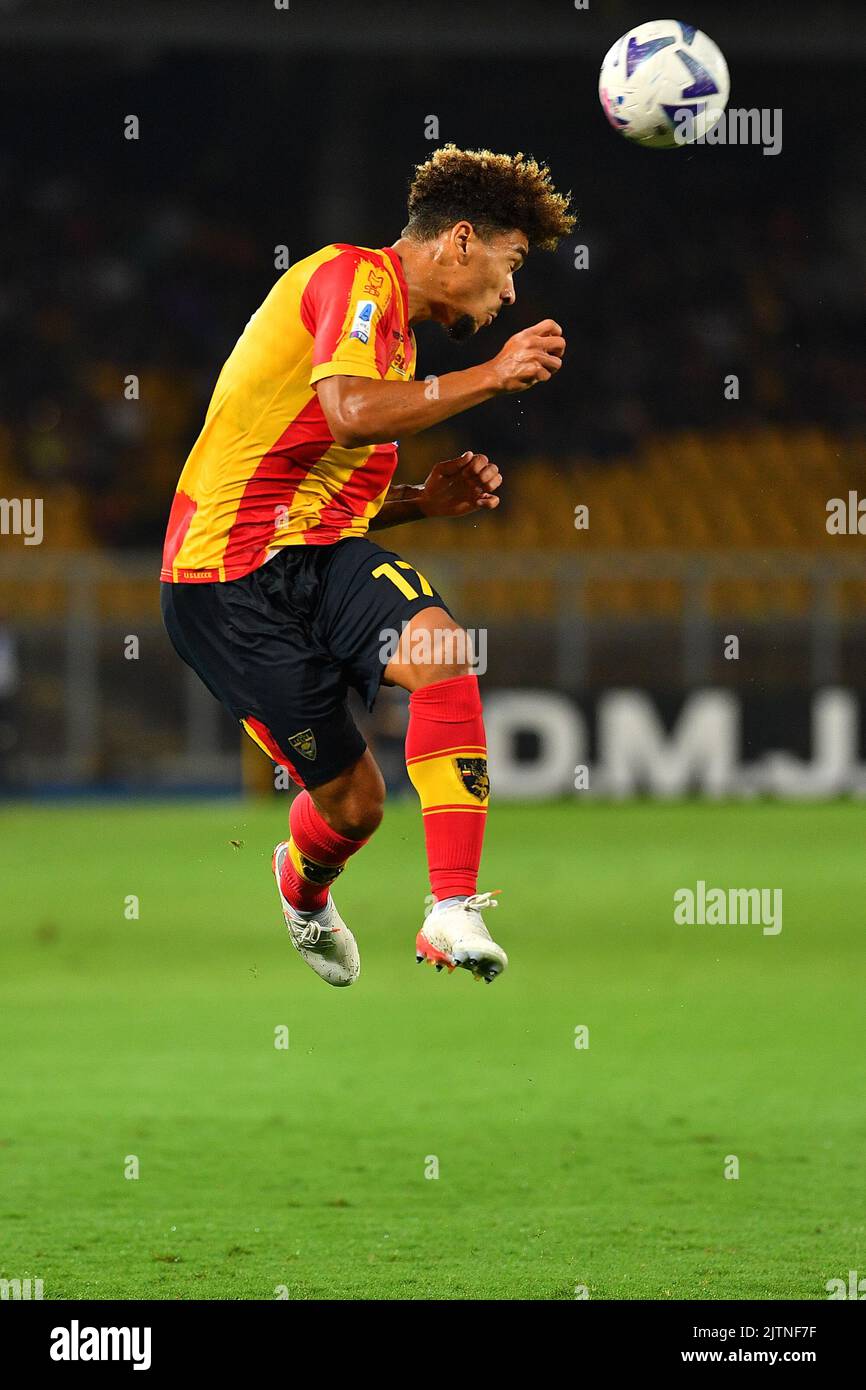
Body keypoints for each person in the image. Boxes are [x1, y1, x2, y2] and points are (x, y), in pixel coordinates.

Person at [160, 145, 573, 987]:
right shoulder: (352, 279)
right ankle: (302, 889)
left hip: (314, 557)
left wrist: (423, 502)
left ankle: (451, 907)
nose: (512, 293)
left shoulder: (394, 355)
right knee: (356, 806)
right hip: (222, 585)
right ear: (461, 240)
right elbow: (346, 416)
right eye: (511, 263)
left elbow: (316, 487)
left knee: (443, 654)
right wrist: (491, 376)